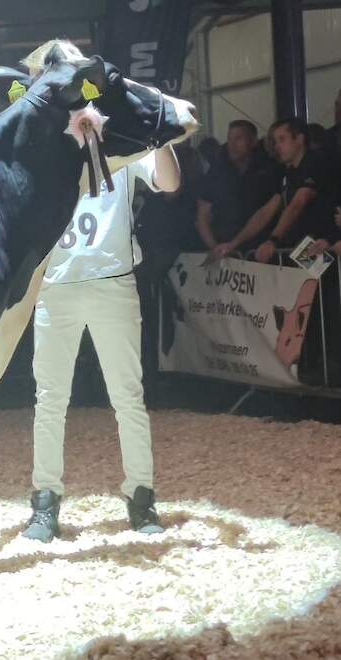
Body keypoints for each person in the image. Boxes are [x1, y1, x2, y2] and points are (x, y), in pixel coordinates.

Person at [24, 145, 181, 543]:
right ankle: (45, 501)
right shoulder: (50, 141)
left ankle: (141, 495)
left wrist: (160, 133)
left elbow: (170, 181)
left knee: (127, 395)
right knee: (50, 398)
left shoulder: (124, 141)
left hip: (112, 280)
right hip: (56, 284)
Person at [212, 118, 337, 264]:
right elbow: (266, 211)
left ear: (299, 139)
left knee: (322, 285)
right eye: (275, 141)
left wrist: (273, 240)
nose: (277, 146)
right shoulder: (287, 172)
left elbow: (297, 205)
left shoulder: (315, 162)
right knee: (300, 285)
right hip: (302, 248)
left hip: (323, 245)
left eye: (282, 140)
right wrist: (233, 244)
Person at [195, 120, 280, 253]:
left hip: (260, 251)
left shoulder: (269, 169)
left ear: (253, 141)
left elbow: (267, 211)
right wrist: (214, 247)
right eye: (229, 139)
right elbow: (202, 216)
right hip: (224, 249)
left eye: (238, 138)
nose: (232, 144)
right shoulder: (216, 171)